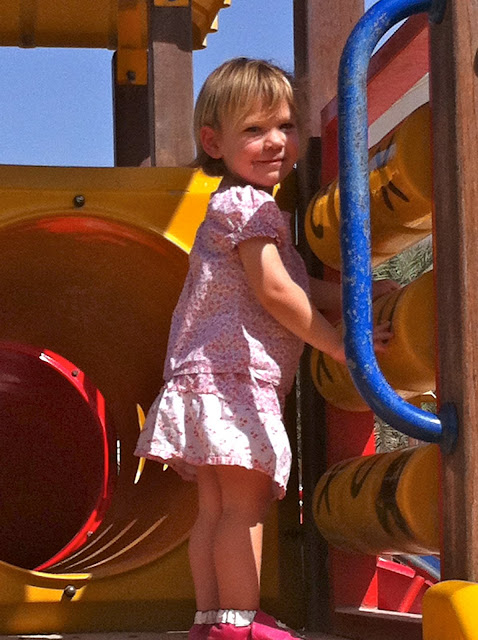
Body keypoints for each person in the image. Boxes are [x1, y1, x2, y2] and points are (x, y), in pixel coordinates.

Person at [135, 58, 396, 640]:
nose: (275, 140)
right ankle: (240, 622)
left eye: (284, 125)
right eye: (254, 130)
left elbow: (294, 284)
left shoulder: (238, 208)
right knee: (244, 508)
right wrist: (340, 344)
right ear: (214, 143)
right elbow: (276, 292)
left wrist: (356, 293)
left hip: (206, 379)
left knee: (214, 510)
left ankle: (212, 621)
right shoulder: (249, 208)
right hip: (234, 383)